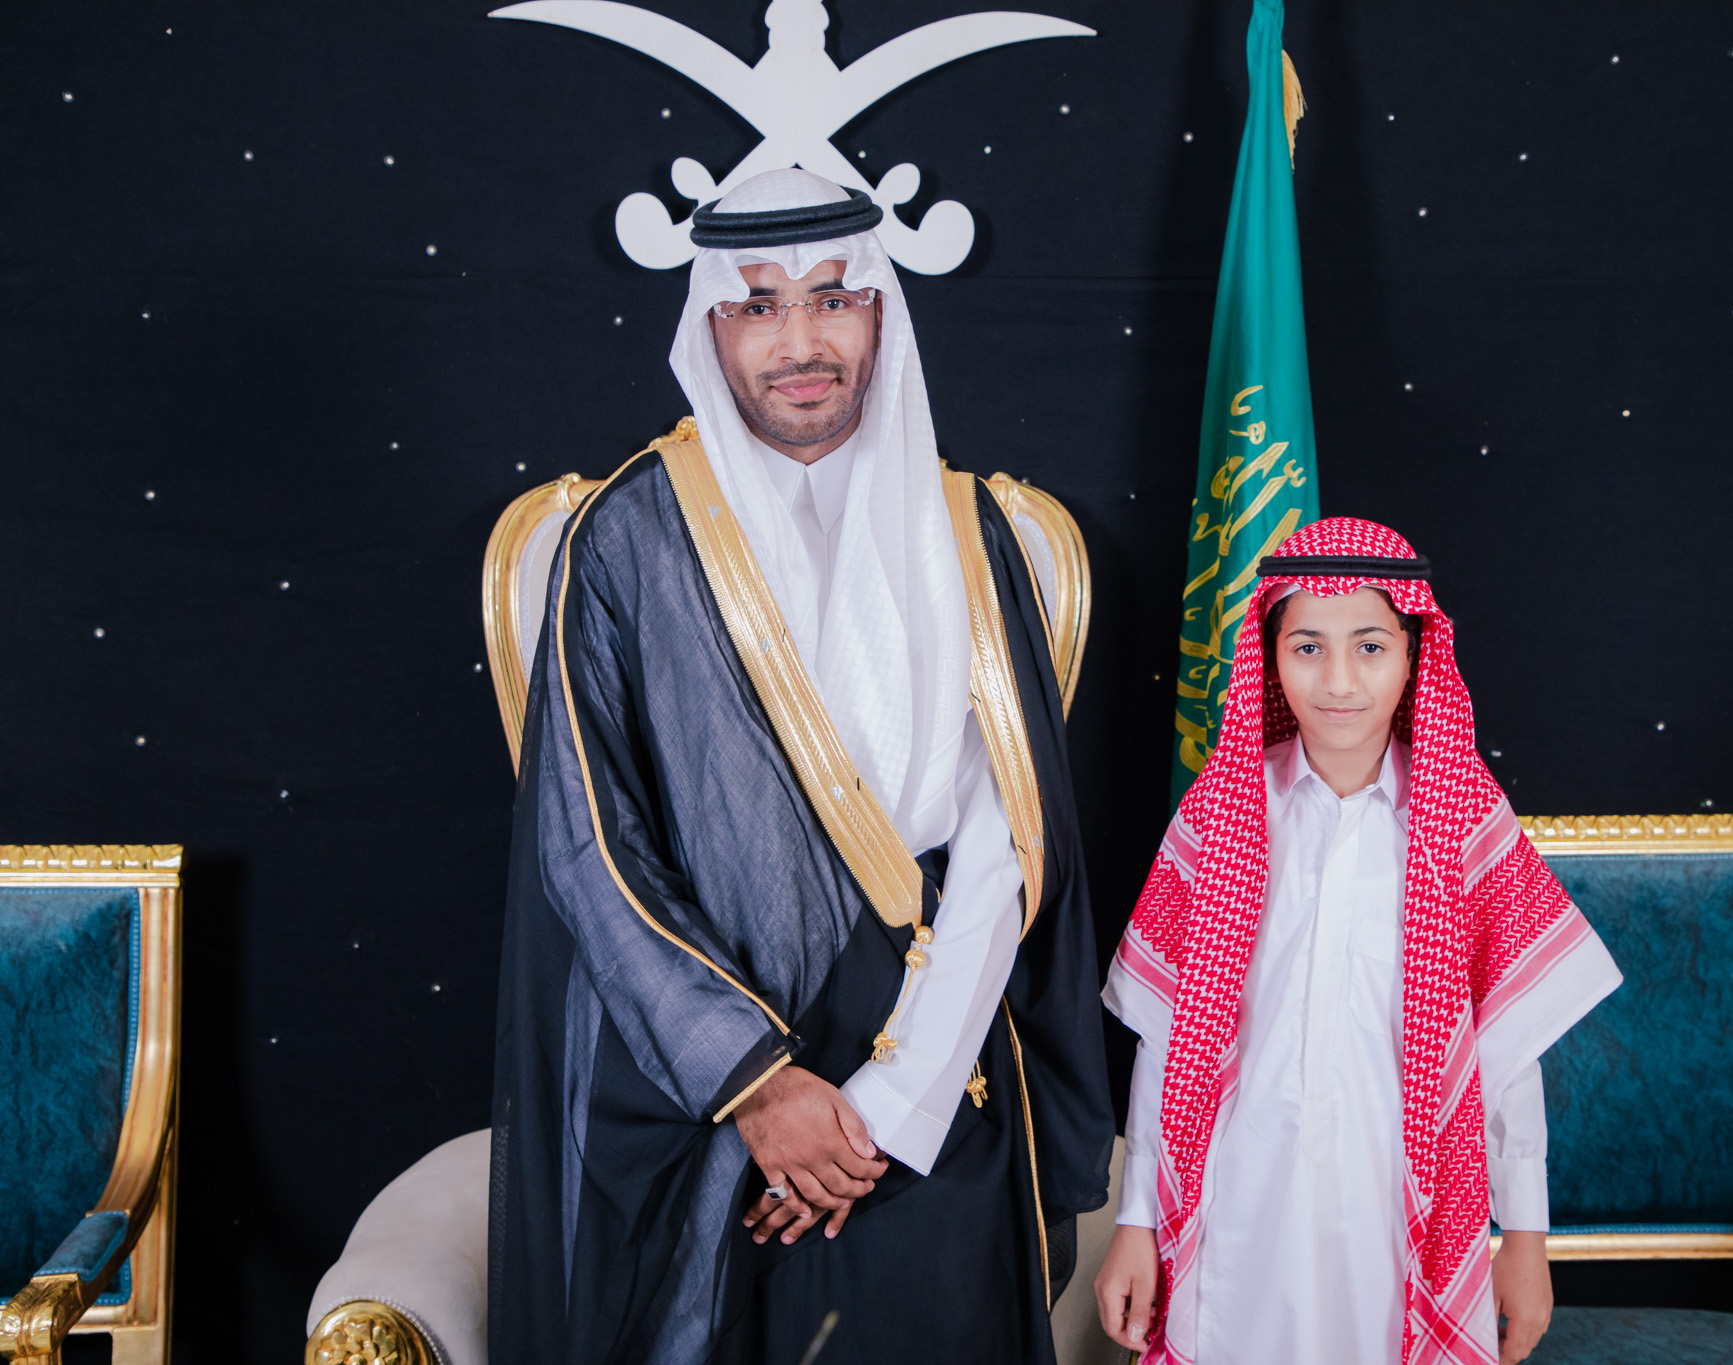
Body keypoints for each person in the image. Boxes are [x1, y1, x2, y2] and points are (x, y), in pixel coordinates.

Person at [490, 168, 1112, 1365]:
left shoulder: (966, 531)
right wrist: (756, 1087)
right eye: (758, 306)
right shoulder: (626, 539)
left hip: (935, 1068)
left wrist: (892, 1106)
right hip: (696, 1082)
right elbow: (587, 845)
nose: (800, 343)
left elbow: (1007, 844)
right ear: (710, 326)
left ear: (880, 313)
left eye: (833, 297)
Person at [1094, 517, 1623, 1365]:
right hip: (1242, 1211)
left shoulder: (1463, 821)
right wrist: (1135, 1222)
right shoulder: (1220, 813)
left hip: (1399, 1216)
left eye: (1370, 647)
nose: (1339, 679)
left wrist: (1524, 1236)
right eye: (1307, 647)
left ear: (1414, 656)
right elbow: (1169, 1041)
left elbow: (1507, 1048)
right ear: (1271, 658)